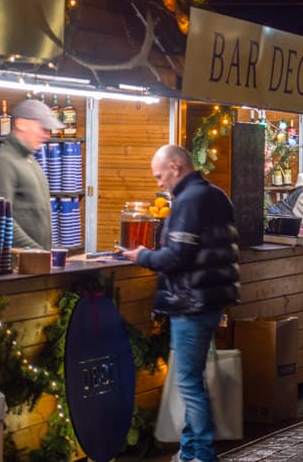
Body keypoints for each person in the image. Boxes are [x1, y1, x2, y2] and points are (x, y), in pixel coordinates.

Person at [122, 145, 240, 462]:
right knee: (193, 379)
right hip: (210, 300)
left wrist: (141, 255)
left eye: (160, 176)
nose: (159, 183)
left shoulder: (188, 201)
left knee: (189, 382)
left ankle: (201, 453)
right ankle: (189, 450)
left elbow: (177, 256)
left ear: (176, 167)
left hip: (191, 301)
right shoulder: (217, 195)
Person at [0, 99, 64, 249]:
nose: (47, 136)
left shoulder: (30, 161)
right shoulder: (3, 162)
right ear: (21, 124)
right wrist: (38, 253)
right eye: (43, 128)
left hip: (34, 262)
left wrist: (47, 253)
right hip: (19, 265)